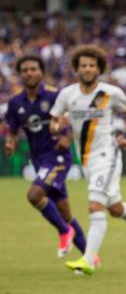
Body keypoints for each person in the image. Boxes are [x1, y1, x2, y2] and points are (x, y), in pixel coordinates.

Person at [50, 45, 126, 275]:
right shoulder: (67, 94)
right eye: (83, 65)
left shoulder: (110, 93)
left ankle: (88, 260)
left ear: (99, 68)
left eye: (92, 65)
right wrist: (58, 128)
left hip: (107, 155)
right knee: (115, 208)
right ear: (76, 68)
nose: (88, 69)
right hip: (86, 160)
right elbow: (53, 121)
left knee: (95, 205)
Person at [4, 55, 87, 260]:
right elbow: (13, 129)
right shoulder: (15, 103)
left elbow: (79, 117)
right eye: (25, 70)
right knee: (65, 213)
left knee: (34, 195)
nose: (29, 73)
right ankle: (90, 257)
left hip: (58, 157)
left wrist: (68, 136)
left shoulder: (55, 96)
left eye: (33, 69)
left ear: (41, 72)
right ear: (20, 74)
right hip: (39, 159)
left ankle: (64, 232)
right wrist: (11, 141)